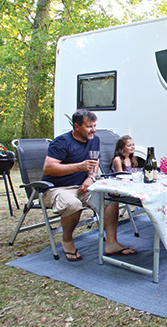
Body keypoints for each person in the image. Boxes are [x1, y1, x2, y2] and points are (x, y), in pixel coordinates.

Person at [41, 109, 137, 261]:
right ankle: (67, 241)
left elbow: (95, 161)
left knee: (110, 198)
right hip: (57, 188)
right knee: (73, 204)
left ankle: (111, 243)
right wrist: (78, 167)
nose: (93, 130)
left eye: (94, 125)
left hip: (83, 186)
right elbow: (49, 168)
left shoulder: (94, 139)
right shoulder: (61, 142)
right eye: (89, 126)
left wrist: (91, 177)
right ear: (76, 126)